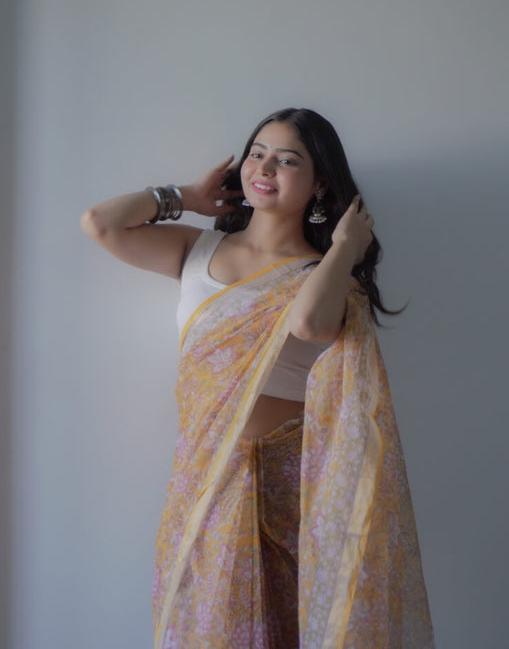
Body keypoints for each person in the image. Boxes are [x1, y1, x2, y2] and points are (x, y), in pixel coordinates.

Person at [81, 108, 434, 648]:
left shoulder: (326, 275)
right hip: (207, 475)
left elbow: (310, 324)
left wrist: (343, 249)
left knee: (290, 627)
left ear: (320, 184)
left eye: (287, 160)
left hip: (289, 480)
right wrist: (185, 197)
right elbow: (100, 224)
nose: (265, 168)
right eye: (257, 153)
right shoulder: (197, 250)